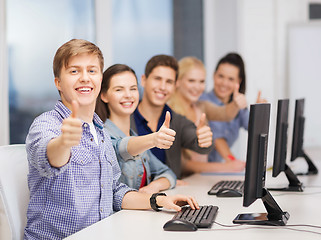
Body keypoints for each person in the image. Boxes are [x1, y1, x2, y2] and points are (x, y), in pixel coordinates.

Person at [24, 39, 198, 240]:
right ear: (58, 83)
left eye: (92, 71)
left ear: (99, 79)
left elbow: (115, 192)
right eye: (74, 71)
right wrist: (64, 142)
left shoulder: (101, 132)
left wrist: (158, 200)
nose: (84, 78)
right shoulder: (46, 124)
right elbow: (50, 158)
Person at [130, 54, 216, 179]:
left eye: (169, 82)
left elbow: (200, 144)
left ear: (175, 85)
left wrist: (205, 140)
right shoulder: (127, 118)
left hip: (169, 194)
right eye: (157, 79)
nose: (163, 87)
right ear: (143, 80)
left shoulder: (178, 121)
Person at [95, 64, 177, 193]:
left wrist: (152, 188)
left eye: (133, 89)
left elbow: (167, 173)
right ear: (104, 96)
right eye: (119, 90)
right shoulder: (101, 135)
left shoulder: (137, 139)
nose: (128, 95)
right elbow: (121, 148)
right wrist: (154, 139)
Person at [168, 56, 246, 175]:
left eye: (201, 82)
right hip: (182, 182)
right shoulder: (171, 112)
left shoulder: (201, 106)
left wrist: (235, 104)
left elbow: (225, 114)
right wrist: (226, 167)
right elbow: (182, 164)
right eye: (191, 81)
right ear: (178, 81)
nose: (197, 87)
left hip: (198, 179)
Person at [200, 52, 266, 163]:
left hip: (218, 169)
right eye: (221, 76)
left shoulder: (238, 105)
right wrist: (234, 163)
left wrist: (259, 111)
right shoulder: (203, 101)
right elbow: (218, 139)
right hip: (201, 171)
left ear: (238, 81)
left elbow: (254, 129)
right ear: (214, 75)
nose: (224, 83)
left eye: (231, 79)